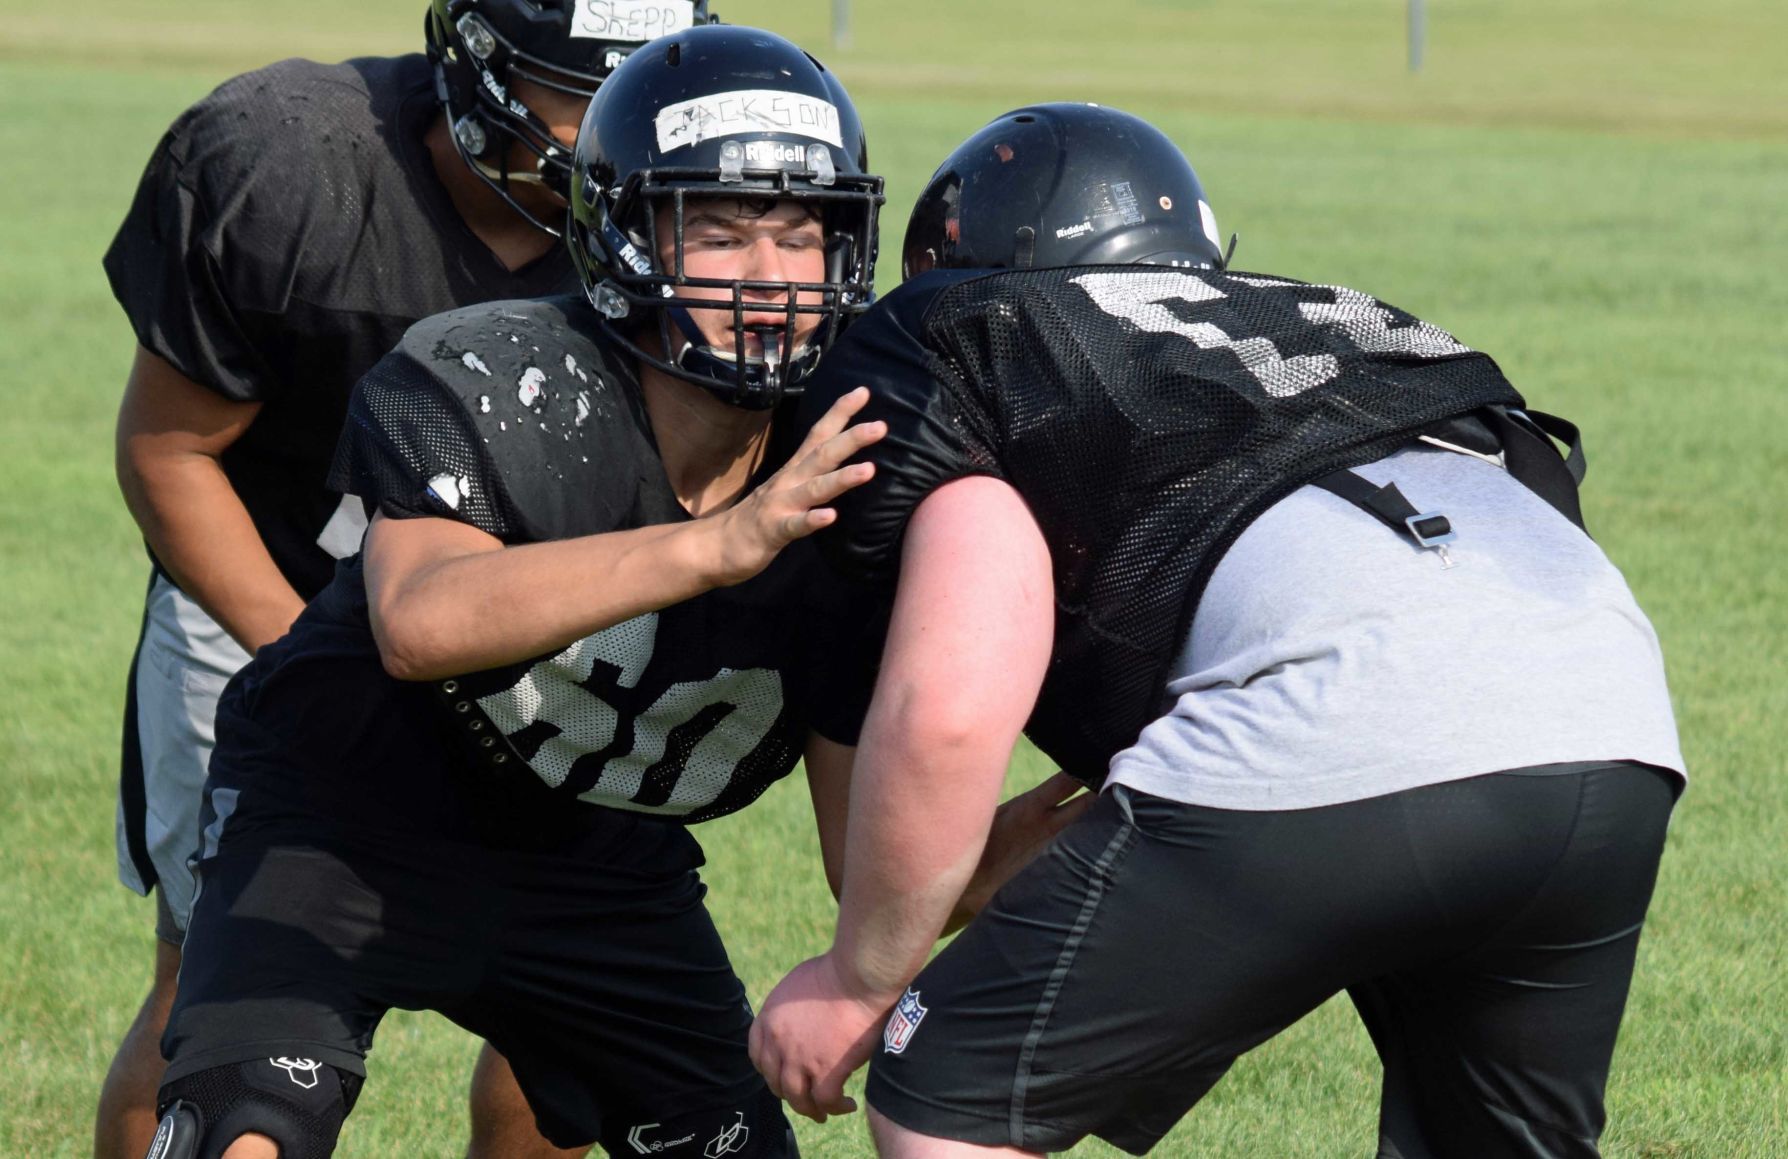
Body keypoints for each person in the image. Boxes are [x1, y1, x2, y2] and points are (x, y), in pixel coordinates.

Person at [750, 103, 1686, 1158]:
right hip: (1610, 712)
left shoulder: (979, 345)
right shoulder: (1320, 319)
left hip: (1350, 701)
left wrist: (858, 978)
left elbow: (953, 707)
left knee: (948, 1088)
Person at [138, 25, 898, 1159]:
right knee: (242, 1129)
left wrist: (1046, 843)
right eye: (722, 231)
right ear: (626, 238)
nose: (770, 277)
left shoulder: (861, 454)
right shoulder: (501, 373)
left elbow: (865, 848)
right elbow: (419, 621)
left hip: (594, 861)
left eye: (801, 232)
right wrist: (719, 545)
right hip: (346, 812)